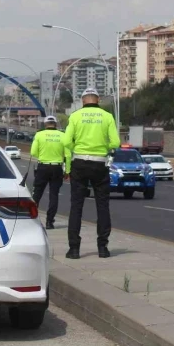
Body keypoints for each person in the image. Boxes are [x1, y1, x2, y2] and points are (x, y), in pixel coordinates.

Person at [63, 88, 120, 259]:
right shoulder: (107, 116)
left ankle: (74, 249)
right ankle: (103, 248)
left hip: (79, 163)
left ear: (82, 101)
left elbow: (66, 141)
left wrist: (77, 150)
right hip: (99, 164)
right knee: (102, 206)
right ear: (98, 100)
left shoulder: (75, 116)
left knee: (76, 206)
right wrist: (103, 149)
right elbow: (116, 142)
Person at [30, 115, 70, 230]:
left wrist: (42, 157)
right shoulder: (63, 136)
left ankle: (32, 219)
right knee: (54, 195)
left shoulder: (39, 135)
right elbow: (68, 155)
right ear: (55, 124)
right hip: (57, 168)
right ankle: (49, 222)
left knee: (37, 194)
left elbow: (33, 152)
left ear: (45, 124)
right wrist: (67, 171)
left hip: (42, 166)